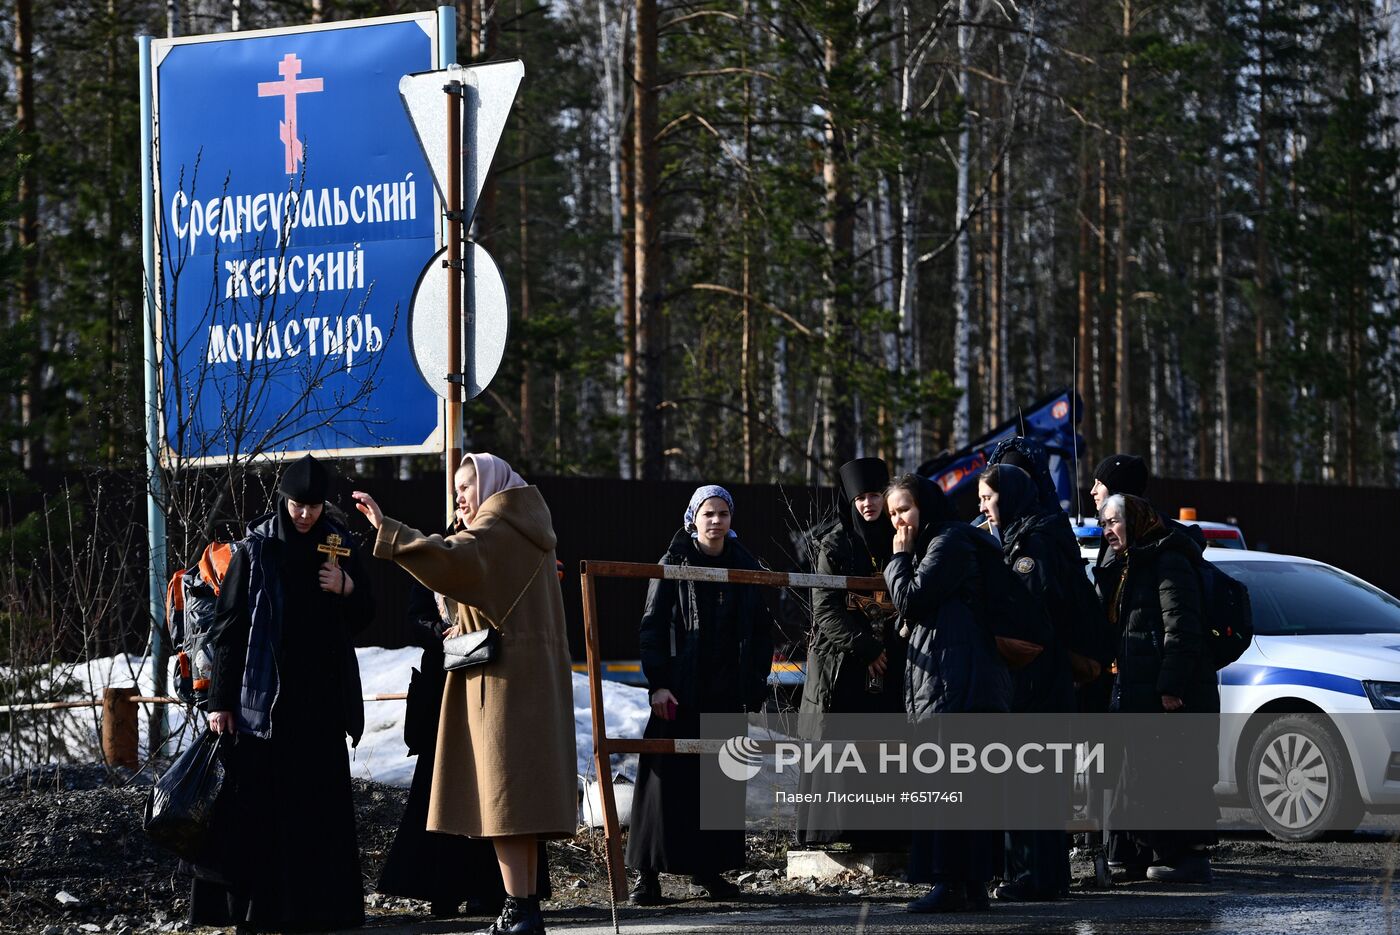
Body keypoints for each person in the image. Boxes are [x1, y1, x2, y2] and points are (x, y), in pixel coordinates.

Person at [352, 453, 576, 935]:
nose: (459, 497)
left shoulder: (498, 528)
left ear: (492, 487)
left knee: (505, 803)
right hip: (529, 680)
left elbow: (452, 561)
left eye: (466, 487)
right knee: (522, 802)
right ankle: (524, 909)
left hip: (503, 686)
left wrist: (385, 528)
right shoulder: (527, 526)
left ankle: (518, 910)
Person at [193, 453, 375, 931]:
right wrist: (221, 702)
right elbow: (228, 630)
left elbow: (367, 615)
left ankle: (322, 910)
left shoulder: (339, 545)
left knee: (319, 808)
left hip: (321, 702)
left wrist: (348, 586)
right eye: (298, 505)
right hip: (265, 705)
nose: (305, 514)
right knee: (263, 812)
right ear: (284, 500)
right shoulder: (255, 550)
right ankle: (262, 913)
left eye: (313, 506)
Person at [626, 485, 774, 906]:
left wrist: (754, 684)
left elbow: (761, 631)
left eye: (723, 514)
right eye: (708, 513)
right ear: (693, 517)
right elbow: (652, 627)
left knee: (720, 784)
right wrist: (658, 683)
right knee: (663, 785)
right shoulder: (673, 561)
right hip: (680, 689)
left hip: (727, 690)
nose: (715, 521)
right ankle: (647, 876)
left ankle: (708, 871)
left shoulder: (745, 565)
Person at [883, 473, 1012, 913]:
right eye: (893, 514)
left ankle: (950, 883)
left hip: (955, 686)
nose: (898, 520)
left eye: (904, 509)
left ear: (925, 506)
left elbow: (912, 599)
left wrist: (897, 560)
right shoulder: (948, 541)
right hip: (960, 683)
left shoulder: (948, 543)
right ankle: (970, 885)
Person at [1096, 493, 1219, 885]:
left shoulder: (1168, 561)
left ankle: (1187, 860)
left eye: (1114, 522)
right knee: (1144, 775)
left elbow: (1181, 629)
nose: (1107, 531)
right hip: (1138, 689)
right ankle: (1148, 853)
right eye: (1104, 524)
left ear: (1135, 521)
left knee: (1178, 775)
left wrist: (1170, 686)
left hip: (1173, 695)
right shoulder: (1129, 562)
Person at [977, 464, 1082, 902]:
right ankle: (1041, 874)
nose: (983, 506)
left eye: (989, 497)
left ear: (1012, 496)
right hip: (1037, 679)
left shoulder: (1032, 543)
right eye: (981, 498)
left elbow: (1023, 606)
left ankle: (1034, 876)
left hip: (1036, 679)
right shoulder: (1023, 534)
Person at [797, 457, 906, 848]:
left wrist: (887, 645)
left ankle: (885, 832)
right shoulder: (835, 543)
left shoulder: (900, 538)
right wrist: (866, 647)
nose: (868, 505)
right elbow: (824, 606)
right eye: (860, 497)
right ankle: (835, 832)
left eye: (875, 495)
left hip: (892, 656)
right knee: (841, 745)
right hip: (843, 661)